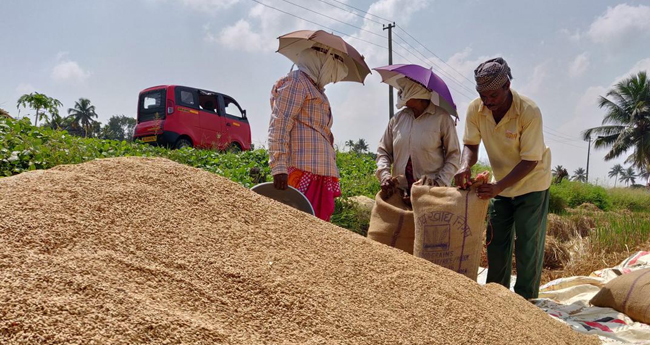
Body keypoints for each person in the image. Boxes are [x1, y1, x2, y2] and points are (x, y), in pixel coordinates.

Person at [454, 57, 552, 300]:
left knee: (527, 244)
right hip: (500, 185)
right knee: (495, 241)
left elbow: (531, 160)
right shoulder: (476, 109)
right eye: (483, 96)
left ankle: (526, 300)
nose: (487, 102)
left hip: (532, 183)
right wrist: (465, 164)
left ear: (507, 86)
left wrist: (498, 186)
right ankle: (498, 299)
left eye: (493, 96)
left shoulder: (528, 111)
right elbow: (470, 144)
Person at [268, 43, 349, 222]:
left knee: (316, 229)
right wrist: (279, 166)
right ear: (319, 62)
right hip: (302, 170)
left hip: (320, 171)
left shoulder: (316, 89)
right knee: (297, 224)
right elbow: (279, 124)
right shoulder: (297, 82)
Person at [376, 77, 461, 202]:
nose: (400, 93)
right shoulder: (397, 119)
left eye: (404, 89)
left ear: (416, 92)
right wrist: (385, 176)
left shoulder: (442, 118)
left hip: (432, 195)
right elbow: (383, 151)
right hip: (400, 193)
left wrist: (439, 184)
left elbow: (454, 155)